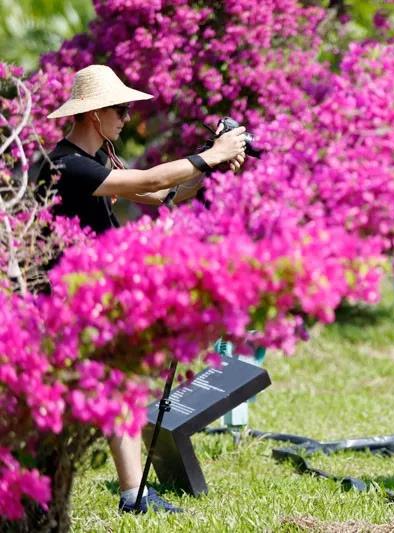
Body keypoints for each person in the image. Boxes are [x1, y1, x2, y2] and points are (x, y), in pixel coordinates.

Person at [40, 64, 248, 513]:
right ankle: (121, 496)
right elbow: (151, 180)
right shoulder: (66, 165)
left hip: (91, 299)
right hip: (63, 305)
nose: (126, 117)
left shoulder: (96, 162)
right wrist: (210, 155)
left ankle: (133, 496)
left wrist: (210, 163)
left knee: (120, 388)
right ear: (94, 114)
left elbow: (163, 195)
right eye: (120, 109)